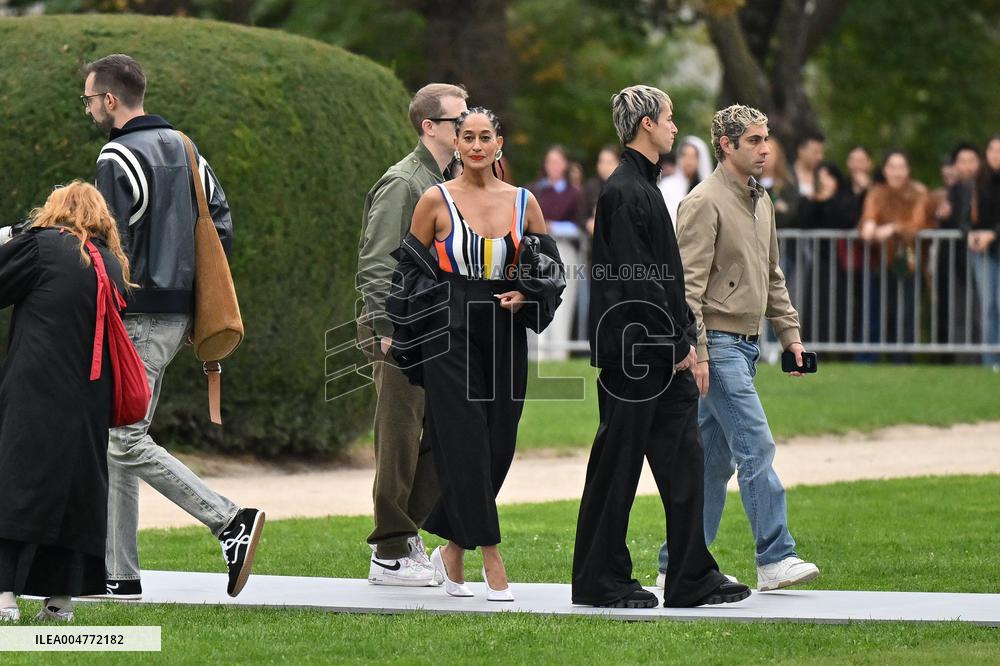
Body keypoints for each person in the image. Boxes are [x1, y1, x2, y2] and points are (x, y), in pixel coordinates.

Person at [83, 54, 263, 600]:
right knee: (121, 437)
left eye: (89, 99)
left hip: (135, 313)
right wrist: (191, 296)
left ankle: (228, 519)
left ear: (110, 100)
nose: (88, 108)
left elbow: (108, 243)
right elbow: (220, 225)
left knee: (123, 439)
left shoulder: (115, 155)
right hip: (179, 313)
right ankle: (120, 573)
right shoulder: (187, 148)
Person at [572, 85, 750, 609]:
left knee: (684, 462)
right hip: (636, 357)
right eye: (669, 118)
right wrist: (674, 343)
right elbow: (637, 281)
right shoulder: (625, 191)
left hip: (662, 353)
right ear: (646, 123)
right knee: (617, 466)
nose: (675, 126)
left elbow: (665, 279)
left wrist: (684, 339)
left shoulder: (645, 187)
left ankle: (691, 576)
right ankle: (599, 580)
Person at [389, 107, 561, 601]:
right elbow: (407, 274)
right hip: (449, 330)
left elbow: (551, 270)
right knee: (463, 439)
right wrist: (418, 325)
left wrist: (527, 294)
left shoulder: (525, 202)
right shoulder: (434, 199)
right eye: (468, 137)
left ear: (499, 143)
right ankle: (491, 553)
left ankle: (452, 549)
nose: (477, 145)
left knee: (499, 439)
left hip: (504, 328)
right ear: (458, 144)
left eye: (486, 137)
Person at [661, 103, 821, 593]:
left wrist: (791, 337)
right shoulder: (703, 202)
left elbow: (772, 275)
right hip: (718, 345)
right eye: (753, 140)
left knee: (713, 462)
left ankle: (677, 563)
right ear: (726, 145)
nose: (765, 148)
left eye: (765, 139)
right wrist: (699, 352)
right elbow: (687, 289)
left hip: (748, 347)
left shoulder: (761, 199)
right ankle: (776, 557)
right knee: (756, 445)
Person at [0, 182, 131, 623]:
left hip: (35, 389)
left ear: (55, 211)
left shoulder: (41, 247)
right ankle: (60, 602)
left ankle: (4, 597)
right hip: (90, 398)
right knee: (75, 495)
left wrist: (10, 235)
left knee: (17, 485)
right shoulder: (110, 263)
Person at [356, 83, 469, 586]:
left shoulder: (450, 180)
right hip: (401, 329)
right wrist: (387, 328)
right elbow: (376, 261)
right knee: (399, 438)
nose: (466, 127)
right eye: (457, 121)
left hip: (438, 329)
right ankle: (390, 551)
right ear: (430, 127)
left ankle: (405, 536)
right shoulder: (403, 182)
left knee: (447, 434)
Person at [858, 150, 930, 351]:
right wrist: (869, 225)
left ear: (908, 170)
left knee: (907, 313)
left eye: (901, 167)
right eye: (892, 167)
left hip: (911, 260)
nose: (897, 172)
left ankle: (904, 358)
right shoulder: (877, 192)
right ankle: (883, 356)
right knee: (883, 312)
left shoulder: (919, 192)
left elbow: (918, 224)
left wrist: (894, 228)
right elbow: (868, 220)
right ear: (885, 170)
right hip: (881, 261)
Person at [530, 145, 583, 360]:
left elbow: (579, 224)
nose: (553, 166)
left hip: (564, 249)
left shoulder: (574, 194)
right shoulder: (534, 190)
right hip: (537, 250)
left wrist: (553, 226)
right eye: (550, 161)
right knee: (536, 296)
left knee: (563, 300)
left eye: (557, 161)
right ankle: (537, 353)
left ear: (565, 165)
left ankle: (559, 352)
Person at [934, 143, 980, 351]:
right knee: (958, 312)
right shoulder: (954, 190)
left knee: (982, 310)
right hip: (956, 259)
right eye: (962, 161)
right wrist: (942, 217)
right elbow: (953, 222)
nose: (967, 166)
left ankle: (986, 358)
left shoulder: (986, 187)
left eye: (971, 161)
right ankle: (963, 359)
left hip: (982, 255)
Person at [969, 136, 1000, 369]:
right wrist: (969, 233)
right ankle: (990, 361)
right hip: (982, 252)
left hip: (995, 243)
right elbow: (964, 216)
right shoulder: (976, 183)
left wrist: (994, 234)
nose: (996, 154)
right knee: (988, 305)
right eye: (992, 149)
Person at [659, 136, 713, 228]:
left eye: (693, 157)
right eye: (685, 155)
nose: (688, 161)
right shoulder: (666, 186)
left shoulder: (709, 189)